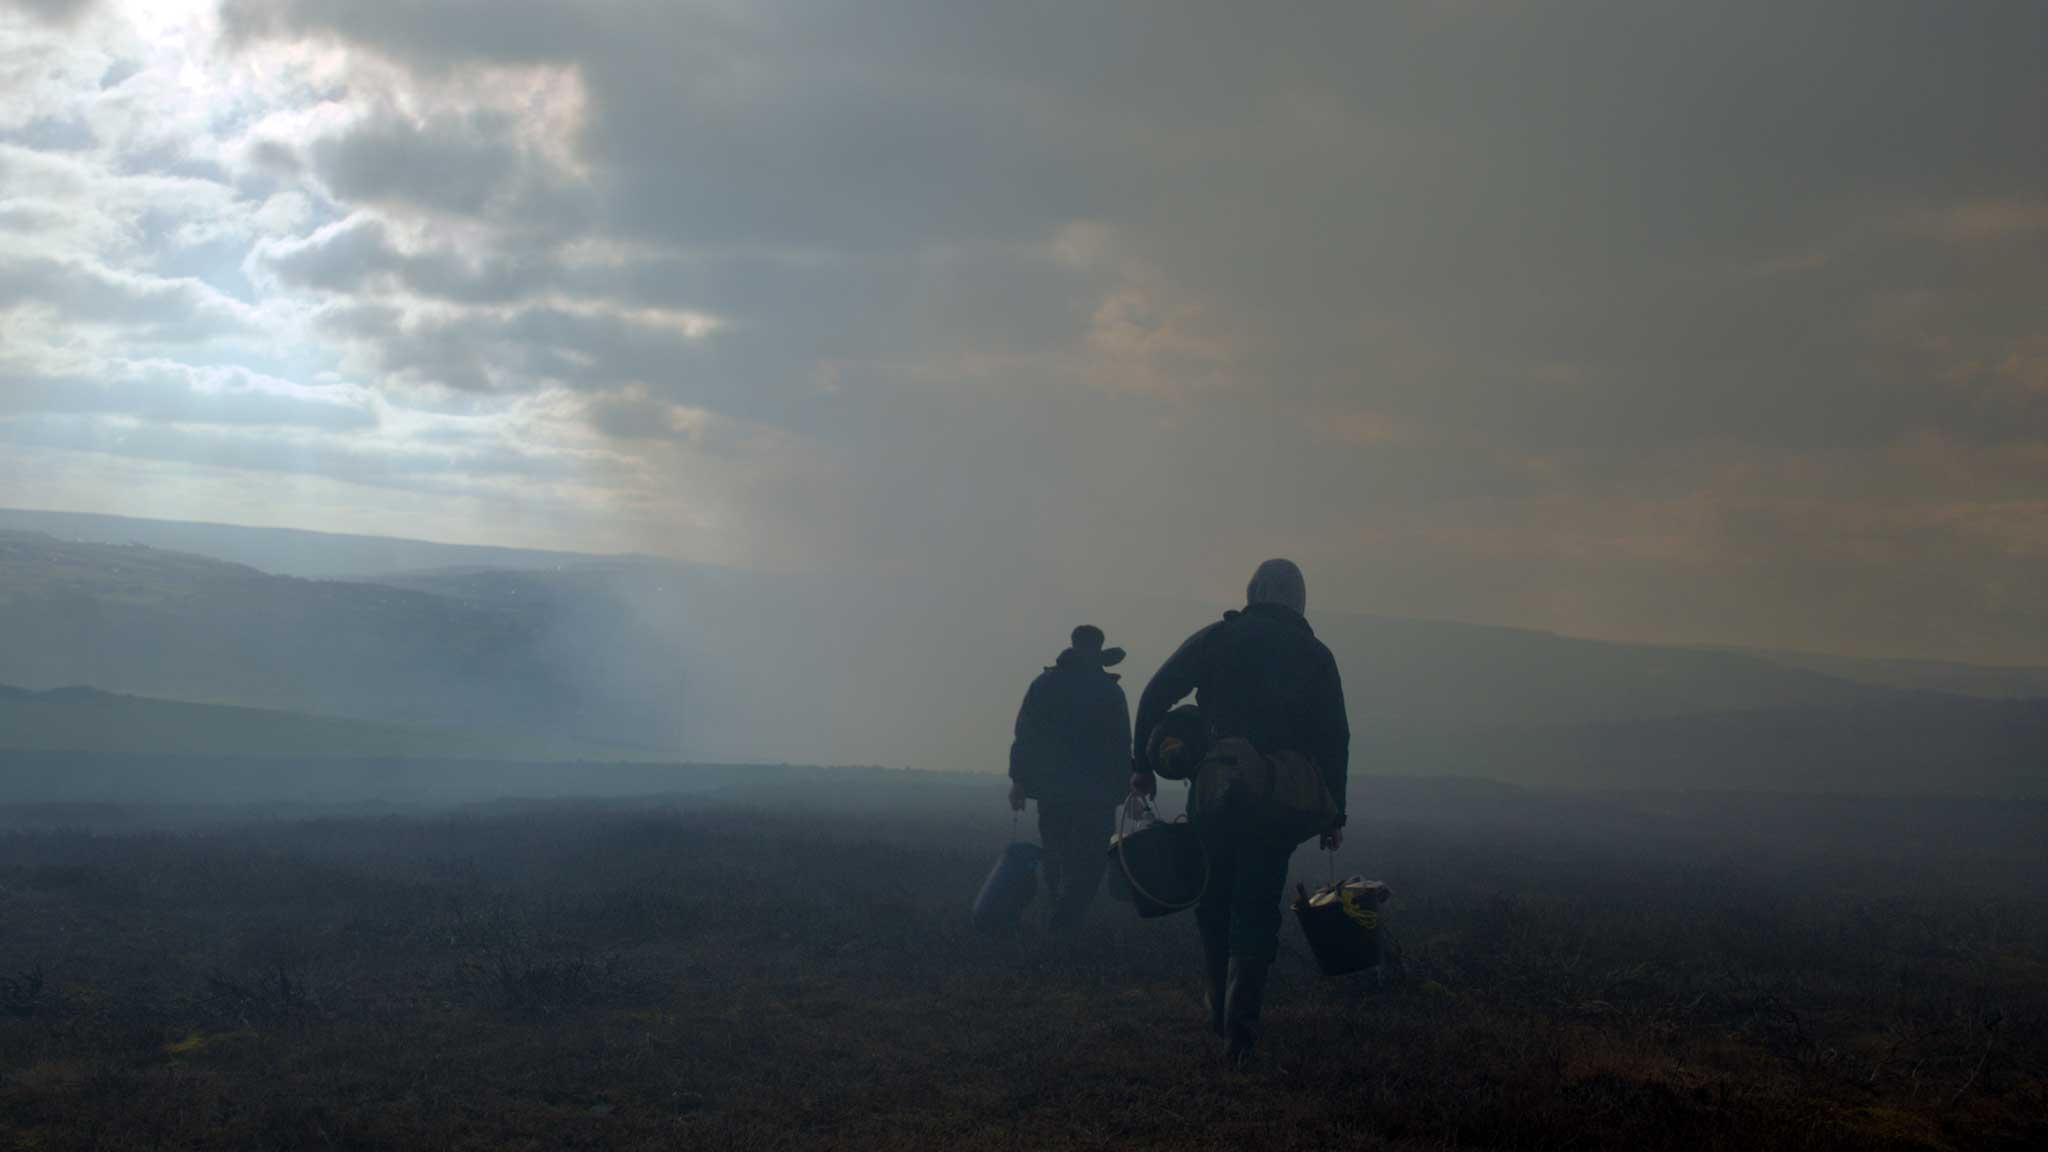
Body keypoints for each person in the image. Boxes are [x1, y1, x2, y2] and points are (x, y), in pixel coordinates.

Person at [1130, 559, 1350, 1066]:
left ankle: (1217, 1011)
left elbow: (1155, 693)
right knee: (1256, 904)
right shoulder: (1316, 655)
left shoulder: (1216, 639)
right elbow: (1335, 737)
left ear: (1253, 593)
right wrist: (1333, 812)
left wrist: (1143, 765)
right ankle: (1241, 1033)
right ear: (1299, 599)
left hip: (1214, 795)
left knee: (1213, 901)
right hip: (1277, 805)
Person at [1008, 625, 1133, 932]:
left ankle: (1061, 912)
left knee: (1057, 852)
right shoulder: (1110, 690)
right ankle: (1067, 915)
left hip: (1055, 788)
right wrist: (1129, 785)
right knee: (1088, 859)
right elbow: (1122, 743)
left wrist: (1019, 780)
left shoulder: (1044, 684)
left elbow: (1025, 735)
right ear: (1099, 646)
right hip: (1096, 793)